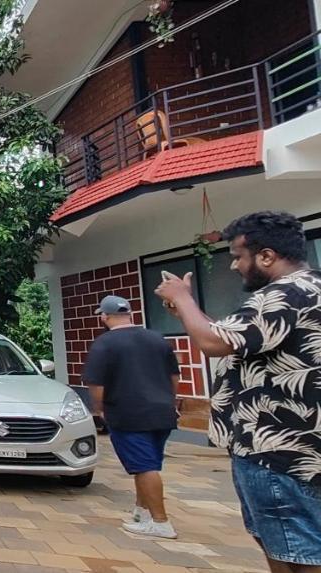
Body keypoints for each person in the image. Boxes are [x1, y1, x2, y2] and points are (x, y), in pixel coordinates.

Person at [155, 211, 321, 572]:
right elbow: (236, 338)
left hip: (277, 451)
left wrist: (183, 298)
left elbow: (214, 342)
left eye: (237, 256)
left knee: (294, 552)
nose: (233, 266)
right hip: (303, 448)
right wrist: (185, 310)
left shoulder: (282, 295)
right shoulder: (309, 289)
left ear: (266, 256)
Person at [81, 295, 180, 539]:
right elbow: (174, 377)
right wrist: (168, 401)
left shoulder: (105, 344)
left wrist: (99, 408)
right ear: (130, 314)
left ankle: (160, 521)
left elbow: (96, 384)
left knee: (144, 467)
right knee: (148, 465)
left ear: (104, 316)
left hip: (128, 413)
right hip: (162, 412)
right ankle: (142, 513)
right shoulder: (157, 339)